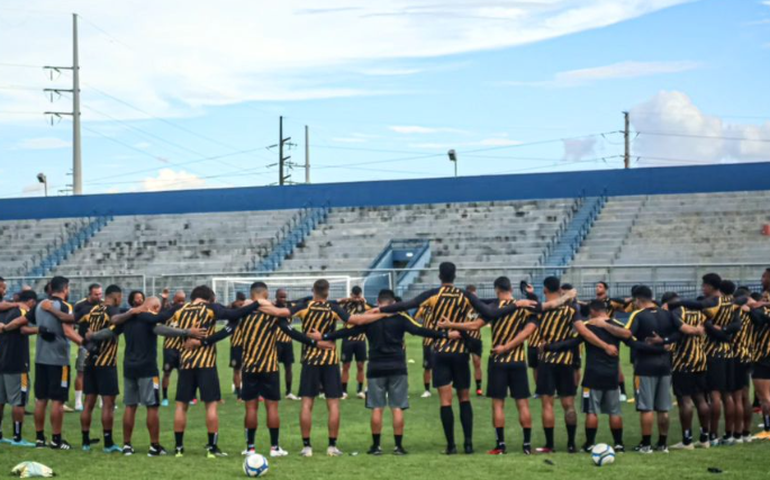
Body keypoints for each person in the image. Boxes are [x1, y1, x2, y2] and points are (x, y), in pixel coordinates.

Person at [313, 288, 460, 455]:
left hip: (375, 367)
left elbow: (349, 331)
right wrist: (446, 334)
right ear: (394, 304)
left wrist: (324, 336)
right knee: (397, 407)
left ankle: (376, 446)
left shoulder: (370, 319)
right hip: (397, 366)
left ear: (378, 302)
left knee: (377, 407)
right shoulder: (400, 318)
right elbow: (420, 330)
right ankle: (398, 446)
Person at [437, 276, 570, 455]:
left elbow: (475, 326)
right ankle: (526, 445)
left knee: (498, 405)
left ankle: (500, 445)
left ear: (497, 290)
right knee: (522, 404)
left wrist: (450, 324)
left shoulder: (493, 307)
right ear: (511, 289)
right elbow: (529, 330)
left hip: (498, 361)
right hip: (518, 360)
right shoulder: (522, 305)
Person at [254, 279, 386, 457]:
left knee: (307, 403)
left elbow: (281, 312)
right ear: (328, 291)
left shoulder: (305, 306)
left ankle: (307, 447)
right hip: (330, 360)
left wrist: (256, 304)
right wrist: (384, 313)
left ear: (313, 290)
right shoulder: (333, 309)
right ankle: (332, 446)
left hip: (310, 359)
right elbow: (357, 319)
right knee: (333, 404)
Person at [203, 282, 328, 457]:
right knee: (272, 408)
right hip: (269, 366)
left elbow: (227, 331)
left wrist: (203, 341)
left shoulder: (242, 314)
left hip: (249, 366)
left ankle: (250, 447)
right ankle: (274, 447)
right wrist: (314, 343)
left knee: (251, 408)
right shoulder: (272, 313)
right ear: (266, 294)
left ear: (252, 294)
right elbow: (290, 331)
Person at [371, 262, 477, 455]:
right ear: (454, 275)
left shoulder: (432, 295)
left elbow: (408, 304)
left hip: (441, 351)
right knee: (464, 398)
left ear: (439, 276)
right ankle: (468, 444)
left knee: (445, 400)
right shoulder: (465, 295)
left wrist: (382, 310)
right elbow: (486, 309)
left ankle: (451, 445)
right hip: (460, 351)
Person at [98, 296, 203, 456]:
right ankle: (154, 446)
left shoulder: (128, 318)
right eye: (158, 308)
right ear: (153, 307)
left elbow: (109, 332)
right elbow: (163, 330)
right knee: (152, 406)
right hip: (147, 368)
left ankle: (127, 445)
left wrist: (91, 336)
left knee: (130, 406)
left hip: (129, 368)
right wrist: (187, 332)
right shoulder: (149, 320)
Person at [626, 286, 702, 453]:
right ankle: (662, 444)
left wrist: (644, 346)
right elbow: (680, 333)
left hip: (645, 366)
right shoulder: (667, 314)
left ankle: (646, 445)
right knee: (663, 407)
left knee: (646, 407)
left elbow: (627, 336)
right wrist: (664, 342)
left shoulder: (637, 315)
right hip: (665, 365)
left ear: (638, 300)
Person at [668, 274, 741, 446]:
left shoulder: (712, 303)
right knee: (726, 395)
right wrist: (725, 332)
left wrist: (677, 303)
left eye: (704, 286)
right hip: (728, 353)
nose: (702, 289)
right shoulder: (731, 302)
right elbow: (736, 325)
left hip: (711, 351)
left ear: (710, 286)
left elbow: (699, 306)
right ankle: (729, 434)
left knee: (713, 395)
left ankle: (712, 435)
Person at [532, 276, 581, 454]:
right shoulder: (571, 309)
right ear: (559, 289)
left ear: (545, 289)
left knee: (547, 404)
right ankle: (571, 444)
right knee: (568, 404)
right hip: (566, 362)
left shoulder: (541, 310)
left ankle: (550, 445)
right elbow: (579, 333)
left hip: (546, 360)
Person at [33, 276, 83, 450]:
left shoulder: (40, 305)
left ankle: (39, 439)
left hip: (40, 358)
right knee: (57, 401)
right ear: (65, 288)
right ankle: (56, 439)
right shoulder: (64, 306)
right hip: (58, 360)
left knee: (40, 399)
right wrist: (85, 344)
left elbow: (29, 325)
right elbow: (68, 331)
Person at [661, 292, 711, 450]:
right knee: (701, 399)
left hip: (683, 360)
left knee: (685, 400)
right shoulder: (699, 313)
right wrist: (698, 330)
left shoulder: (676, 313)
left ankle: (687, 440)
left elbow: (684, 330)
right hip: (700, 358)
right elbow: (703, 328)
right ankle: (705, 438)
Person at [78, 284, 124, 453]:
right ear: (116, 297)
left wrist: (88, 338)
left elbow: (79, 323)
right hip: (106, 362)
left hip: (90, 361)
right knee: (107, 404)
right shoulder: (112, 311)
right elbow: (112, 331)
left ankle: (85, 442)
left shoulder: (94, 310)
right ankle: (108, 442)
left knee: (88, 403)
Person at [0, 290, 39, 446]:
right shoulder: (23, 310)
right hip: (16, 362)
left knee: (1, 400)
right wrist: (41, 330)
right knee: (19, 401)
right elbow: (22, 328)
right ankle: (17, 437)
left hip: (2, 359)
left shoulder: (6, 310)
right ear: (30, 301)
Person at [72, 284, 103, 412]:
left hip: (101, 344)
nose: (99, 296)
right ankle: (78, 401)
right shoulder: (80, 306)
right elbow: (72, 325)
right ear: (89, 294)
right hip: (84, 344)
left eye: (100, 293)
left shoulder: (103, 305)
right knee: (81, 371)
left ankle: (102, 400)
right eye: (96, 294)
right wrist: (79, 342)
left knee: (102, 370)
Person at [339, 286, 371, 400]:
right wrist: (348, 300)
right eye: (355, 296)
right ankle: (343, 391)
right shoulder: (345, 305)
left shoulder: (365, 306)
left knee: (360, 365)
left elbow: (375, 309)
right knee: (346, 365)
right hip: (347, 339)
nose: (357, 299)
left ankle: (359, 390)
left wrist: (365, 302)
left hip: (361, 339)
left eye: (359, 296)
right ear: (351, 295)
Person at [160, 289, 186, 407]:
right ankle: (165, 397)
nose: (181, 302)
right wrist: (164, 298)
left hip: (182, 348)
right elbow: (159, 313)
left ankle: (184, 396)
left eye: (183, 300)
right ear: (174, 299)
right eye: (179, 299)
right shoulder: (168, 310)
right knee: (167, 373)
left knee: (183, 374)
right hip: (169, 348)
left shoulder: (186, 311)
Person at [273, 289, 299, 400]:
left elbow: (304, 301)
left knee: (288, 367)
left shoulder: (290, 306)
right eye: (281, 297)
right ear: (276, 297)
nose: (283, 299)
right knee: (273, 368)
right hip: (275, 342)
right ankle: (274, 392)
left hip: (288, 342)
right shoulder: (272, 307)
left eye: (284, 297)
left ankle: (288, 392)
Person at [464, 286, 485, 397]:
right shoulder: (462, 307)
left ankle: (478, 388)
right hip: (464, 339)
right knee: (463, 364)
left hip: (476, 339)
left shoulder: (480, 307)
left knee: (477, 363)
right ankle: (464, 387)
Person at [229, 292, 247, 401]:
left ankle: (242, 390)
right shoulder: (231, 311)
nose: (242, 304)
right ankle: (239, 394)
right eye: (241, 301)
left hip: (247, 344)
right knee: (237, 369)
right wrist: (233, 305)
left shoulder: (247, 310)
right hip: (236, 344)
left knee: (246, 368)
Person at [416, 303, 436, 398]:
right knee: (427, 366)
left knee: (444, 365)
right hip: (427, 341)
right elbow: (415, 319)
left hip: (440, 340)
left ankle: (443, 386)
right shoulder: (425, 308)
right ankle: (427, 390)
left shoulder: (443, 306)